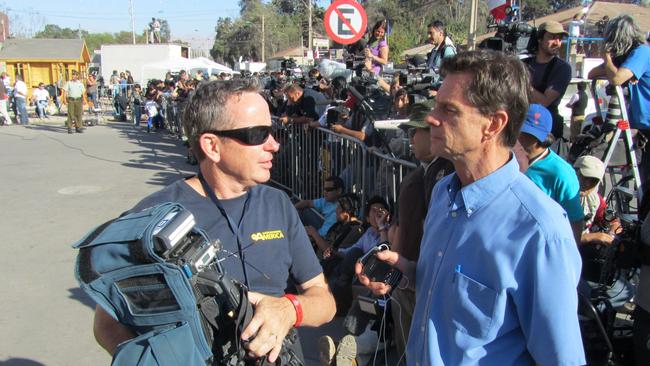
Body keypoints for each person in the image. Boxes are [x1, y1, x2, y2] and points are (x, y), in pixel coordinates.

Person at [356, 50, 585, 365]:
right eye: (437, 105)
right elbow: (449, 295)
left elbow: (562, 359)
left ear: (493, 124)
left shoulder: (540, 231)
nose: (433, 118)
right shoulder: (441, 195)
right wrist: (406, 274)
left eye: (449, 110)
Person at [92, 78, 335, 364]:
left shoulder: (278, 204)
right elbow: (107, 324)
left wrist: (289, 309)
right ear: (212, 145)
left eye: (272, 131)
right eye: (258, 133)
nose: (274, 145)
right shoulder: (153, 218)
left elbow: (324, 302)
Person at [389, 102, 454, 363]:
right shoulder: (420, 174)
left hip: (425, 278)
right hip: (408, 273)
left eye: (415, 132)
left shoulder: (447, 172)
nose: (410, 139)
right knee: (408, 342)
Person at [587, 14, 650, 185]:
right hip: (643, 128)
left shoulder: (642, 52)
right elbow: (592, 74)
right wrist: (612, 64)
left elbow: (616, 79)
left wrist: (607, 58)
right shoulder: (630, 57)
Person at [517, 104, 585, 244]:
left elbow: (575, 221)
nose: (520, 137)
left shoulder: (561, 173)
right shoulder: (508, 159)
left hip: (541, 246)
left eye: (529, 135)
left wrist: (570, 259)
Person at [525, 21, 572, 139]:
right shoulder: (523, 64)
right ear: (540, 39)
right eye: (552, 37)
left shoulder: (562, 68)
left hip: (544, 132)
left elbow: (545, 101)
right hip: (521, 126)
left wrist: (519, 82)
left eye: (560, 39)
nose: (557, 42)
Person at [295, 176, 344, 241]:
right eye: (324, 189)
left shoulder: (346, 207)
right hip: (319, 234)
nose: (325, 192)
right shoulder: (325, 201)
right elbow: (307, 203)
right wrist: (291, 209)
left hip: (326, 240)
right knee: (302, 209)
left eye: (328, 189)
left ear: (339, 191)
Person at [425, 20, 456, 95]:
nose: (428, 36)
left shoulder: (447, 50)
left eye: (431, 33)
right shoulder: (434, 51)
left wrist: (438, 93)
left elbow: (452, 77)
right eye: (428, 33)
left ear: (440, 33)